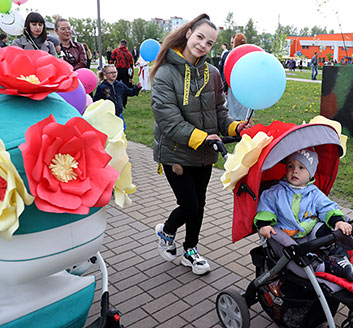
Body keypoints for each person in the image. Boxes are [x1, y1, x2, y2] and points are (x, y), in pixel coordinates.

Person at [150, 13, 251, 275]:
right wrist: (203, 138)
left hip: (205, 153)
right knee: (190, 205)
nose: (203, 45)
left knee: (200, 204)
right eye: (200, 37)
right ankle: (167, 230)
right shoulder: (165, 73)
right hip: (175, 153)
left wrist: (234, 127)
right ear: (188, 34)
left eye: (209, 43)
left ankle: (191, 250)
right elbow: (168, 120)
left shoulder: (213, 73)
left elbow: (219, 111)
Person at [254, 148, 353, 282]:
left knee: (327, 228)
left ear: (311, 173)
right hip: (289, 236)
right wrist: (264, 224)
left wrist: (338, 221)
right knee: (303, 257)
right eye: (290, 166)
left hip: (310, 233)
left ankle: (338, 255)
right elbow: (266, 208)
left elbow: (327, 207)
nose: (294, 171)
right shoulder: (275, 192)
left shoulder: (314, 193)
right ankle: (325, 266)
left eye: (301, 167)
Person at [93, 64, 141, 128]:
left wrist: (136, 88)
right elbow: (96, 100)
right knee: (111, 130)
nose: (114, 74)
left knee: (122, 129)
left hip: (119, 114)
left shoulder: (120, 85)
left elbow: (130, 92)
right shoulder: (102, 87)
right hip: (108, 115)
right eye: (111, 72)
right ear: (105, 74)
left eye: (115, 72)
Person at [226, 33, 253, 122]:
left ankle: (234, 128)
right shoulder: (250, 55)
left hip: (233, 86)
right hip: (247, 87)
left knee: (233, 110)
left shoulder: (230, 55)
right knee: (246, 111)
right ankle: (246, 127)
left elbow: (225, 72)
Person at [111, 39, 134, 107]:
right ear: (126, 45)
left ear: (120, 44)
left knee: (115, 86)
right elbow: (131, 66)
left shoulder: (116, 51)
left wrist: (111, 71)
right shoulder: (129, 53)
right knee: (125, 87)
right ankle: (124, 103)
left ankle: (115, 101)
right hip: (126, 71)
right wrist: (131, 76)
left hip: (117, 70)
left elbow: (111, 61)